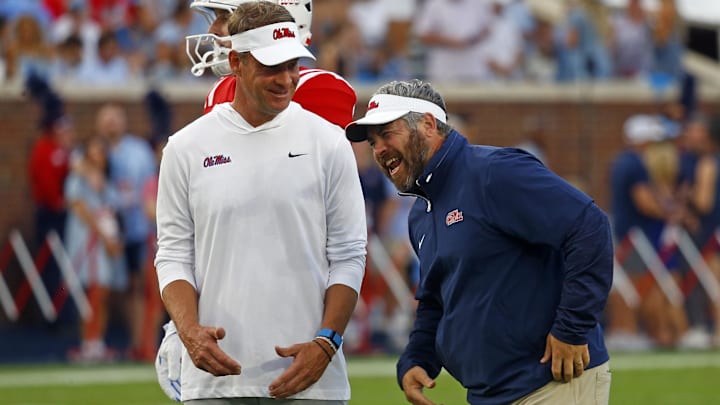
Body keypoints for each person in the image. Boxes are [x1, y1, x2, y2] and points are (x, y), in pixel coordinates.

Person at [345, 79, 613, 405]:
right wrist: (418, 358)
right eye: (373, 142)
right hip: (488, 393)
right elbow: (436, 299)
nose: (379, 150)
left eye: (387, 134)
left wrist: (571, 328)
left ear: (428, 124)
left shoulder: (494, 173)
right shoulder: (421, 212)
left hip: (551, 382)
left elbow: (589, 227)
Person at [154, 2, 366, 404]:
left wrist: (327, 341)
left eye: (292, 65)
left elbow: (350, 254)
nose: (286, 78)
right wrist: (185, 330)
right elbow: (173, 254)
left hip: (313, 379)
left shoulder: (328, 141)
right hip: (213, 378)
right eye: (272, 66)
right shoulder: (185, 147)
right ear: (236, 61)